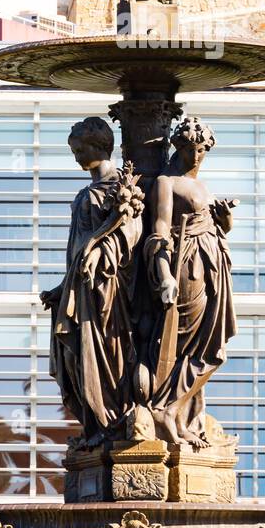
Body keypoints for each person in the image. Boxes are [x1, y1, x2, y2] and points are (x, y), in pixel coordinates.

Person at [40, 117, 143, 445]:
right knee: (74, 362)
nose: (75, 156)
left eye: (79, 149)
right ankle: (94, 427)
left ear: (99, 147)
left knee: (102, 358)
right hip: (78, 290)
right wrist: (61, 288)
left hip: (106, 293)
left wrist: (103, 253)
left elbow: (132, 234)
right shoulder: (84, 195)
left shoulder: (121, 189)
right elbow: (76, 251)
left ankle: (109, 423)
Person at [143, 117, 237, 448]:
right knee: (190, 347)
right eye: (189, 149)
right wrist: (164, 273)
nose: (196, 157)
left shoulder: (201, 185)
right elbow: (159, 230)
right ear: (178, 147)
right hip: (188, 266)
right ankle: (167, 411)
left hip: (213, 265)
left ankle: (177, 413)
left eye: (201, 150)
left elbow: (212, 224)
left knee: (214, 347)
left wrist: (225, 222)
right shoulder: (166, 182)